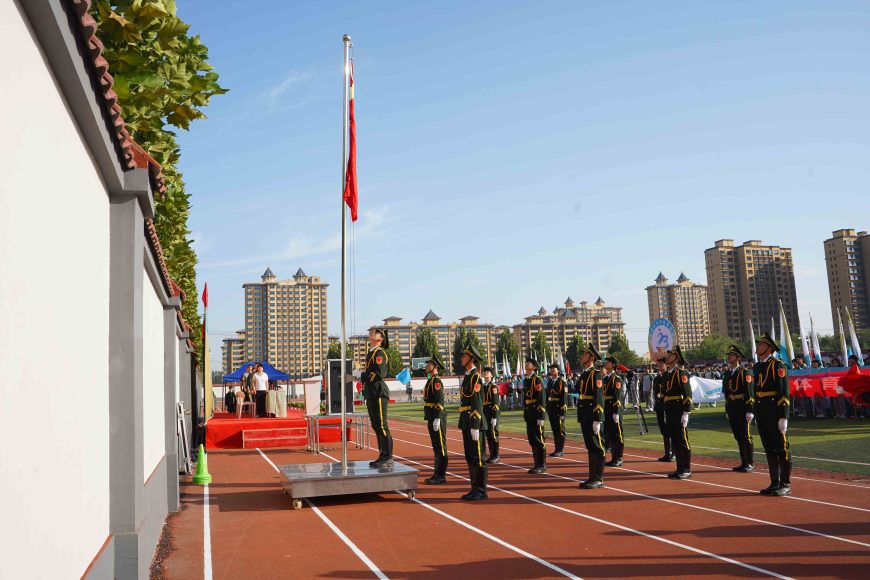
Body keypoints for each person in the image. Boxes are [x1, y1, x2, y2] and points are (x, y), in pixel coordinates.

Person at [753, 333, 792, 496]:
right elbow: (756, 391)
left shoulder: (778, 365)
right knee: (769, 449)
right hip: (762, 412)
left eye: (761, 344)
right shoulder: (757, 366)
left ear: (769, 348)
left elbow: (783, 391)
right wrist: (756, 412)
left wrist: (783, 416)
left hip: (775, 412)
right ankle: (774, 482)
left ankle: (785, 483)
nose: (758, 346)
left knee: (782, 448)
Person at [458, 344, 488, 500]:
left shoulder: (475, 377)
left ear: (471, 359)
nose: (462, 358)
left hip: (473, 421)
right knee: (470, 456)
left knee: (478, 457)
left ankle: (481, 490)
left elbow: (477, 401)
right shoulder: (468, 376)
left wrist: (475, 425)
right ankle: (474, 488)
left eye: (465, 356)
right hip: (466, 421)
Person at [362, 328, 393, 468]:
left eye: (375, 333)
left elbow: (379, 374)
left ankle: (388, 457)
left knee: (382, 425)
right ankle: (382, 455)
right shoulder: (371, 353)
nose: (371, 334)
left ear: (380, 339)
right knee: (376, 425)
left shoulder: (379, 353)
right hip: (371, 393)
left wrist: (362, 375)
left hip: (378, 392)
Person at [576, 345, 605, 488]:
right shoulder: (584, 374)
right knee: (590, 446)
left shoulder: (596, 374)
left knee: (597, 446)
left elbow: (599, 397)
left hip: (592, 414)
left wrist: (597, 418)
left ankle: (598, 478)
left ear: (591, 357)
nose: (582, 357)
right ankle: (592, 477)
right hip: (584, 413)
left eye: (585, 354)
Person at [723, 344, 755, 472]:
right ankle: (743, 462)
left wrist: (749, 410)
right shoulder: (727, 373)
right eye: (728, 355)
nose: (729, 357)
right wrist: (727, 409)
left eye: (731, 355)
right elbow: (726, 392)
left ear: (737, 358)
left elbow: (749, 392)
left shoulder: (744, 372)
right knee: (738, 436)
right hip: (732, 407)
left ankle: (750, 463)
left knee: (746, 436)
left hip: (742, 407)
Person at [663, 346, 693, 479]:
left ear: (676, 358)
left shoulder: (681, 373)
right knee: (674, 440)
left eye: (670, 355)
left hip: (679, 409)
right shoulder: (667, 374)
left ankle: (686, 469)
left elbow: (687, 394)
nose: (667, 356)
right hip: (670, 409)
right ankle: (679, 468)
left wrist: (686, 412)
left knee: (682, 439)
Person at [422, 354, 448, 484]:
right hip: (431, 416)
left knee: (440, 446)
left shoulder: (436, 381)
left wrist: (438, 418)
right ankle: (436, 473)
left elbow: (440, 401)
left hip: (437, 417)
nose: (427, 366)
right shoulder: (430, 380)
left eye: (429, 364)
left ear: (435, 366)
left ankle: (441, 475)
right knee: (436, 447)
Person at [522, 357, 547, 474]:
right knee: (532, 439)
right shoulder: (526, 380)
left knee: (539, 439)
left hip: (536, 413)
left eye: (529, 363)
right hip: (529, 413)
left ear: (534, 367)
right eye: (526, 362)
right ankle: (536, 464)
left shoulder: (537, 380)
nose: (526, 364)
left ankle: (542, 465)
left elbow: (541, 398)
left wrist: (541, 416)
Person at [602, 355, 624, 467]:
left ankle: (619, 458)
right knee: (609, 434)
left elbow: (617, 396)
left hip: (614, 409)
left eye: (608, 362)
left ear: (613, 365)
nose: (606, 363)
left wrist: (616, 411)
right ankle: (613, 458)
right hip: (606, 409)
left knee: (617, 434)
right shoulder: (605, 379)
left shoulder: (617, 379)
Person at [651, 357, 673, 462]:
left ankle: (672, 453)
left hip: (667, 406)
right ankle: (667, 453)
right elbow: (656, 393)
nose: (659, 366)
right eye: (658, 364)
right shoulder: (657, 378)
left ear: (666, 365)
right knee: (663, 430)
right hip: (659, 406)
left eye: (661, 364)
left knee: (670, 429)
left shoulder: (669, 376)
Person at [546, 363, 568, 457]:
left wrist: (562, 412)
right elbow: (547, 396)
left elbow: (564, 398)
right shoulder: (550, 382)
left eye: (553, 368)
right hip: (551, 409)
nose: (551, 370)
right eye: (550, 369)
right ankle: (556, 449)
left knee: (560, 430)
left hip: (559, 409)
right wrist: (547, 408)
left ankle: (560, 449)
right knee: (555, 430)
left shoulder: (562, 382)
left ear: (558, 370)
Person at [481, 366, 501, 464]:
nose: (485, 373)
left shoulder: (493, 387)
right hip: (484, 412)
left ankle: (496, 455)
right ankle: (491, 455)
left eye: (488, 372)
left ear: (492, 375)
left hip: (491, 412)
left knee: (493, 434)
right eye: (485, 371)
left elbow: (496, 403)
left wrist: (494, 417)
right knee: (488, 435)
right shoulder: (483, 386)